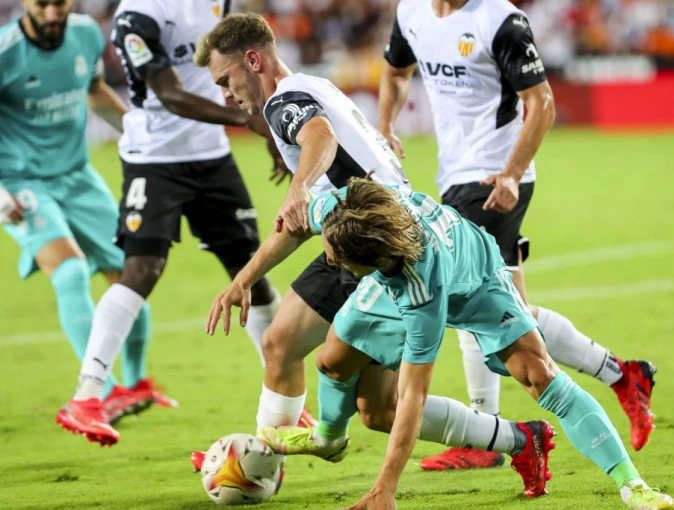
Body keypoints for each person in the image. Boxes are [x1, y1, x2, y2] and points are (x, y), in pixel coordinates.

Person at [257, 178, 674, 510]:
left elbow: (413, 395)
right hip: (406, 273)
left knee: (540, 375)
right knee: (332, 361)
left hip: (477, 283)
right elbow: (296, 223)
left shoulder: (420, 293)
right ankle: (328, 439)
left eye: (337, 256)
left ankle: (633, 486)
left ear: (374, 261)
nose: (329, 258)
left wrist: (385, 487)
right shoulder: (347, 209)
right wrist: (244, 281)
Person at [377, 0, 657, 468]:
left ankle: (484, 435)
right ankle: (624, 375)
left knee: (467, 300)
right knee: (513, 312)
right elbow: (394, 71)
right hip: (455, 175)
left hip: (493, 178)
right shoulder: (412, 12)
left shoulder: (499, 20)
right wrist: (385, 126)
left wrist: (511, 173)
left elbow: (541, 102)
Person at [56, 0, 288, 446]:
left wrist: (267, 119)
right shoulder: (136, 16)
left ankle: (286, 407)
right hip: (154, 159)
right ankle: (87, 395)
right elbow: (170, 95)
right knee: (142, 270)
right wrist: (250, 119)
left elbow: (242, 63)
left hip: (212, 158)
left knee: (253, 274)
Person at [193, 12, 414, 467]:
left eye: (225, 79)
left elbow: (320, 136)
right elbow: (299, 222)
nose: (225, 93)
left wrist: (298, 186)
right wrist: (244, 280)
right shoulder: (314, 87)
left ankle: (257, 465)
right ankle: (519, 437)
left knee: (289, 350)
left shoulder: (284, 101)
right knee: (374, 408)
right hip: (374, 239)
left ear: (252, 60)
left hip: (377, 247)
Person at [0, 0, 173, 437]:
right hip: (20, 182)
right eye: (42, 4)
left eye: (59, 2)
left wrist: (139, 133)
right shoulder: (5, 51)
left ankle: (136, 384)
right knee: (71, 270)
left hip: (77, 176)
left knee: (130, 272)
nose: (52, 13)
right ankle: (102, 391)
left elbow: (94, 90)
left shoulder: (86, 35)